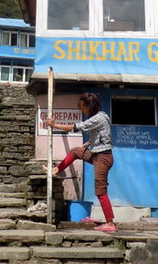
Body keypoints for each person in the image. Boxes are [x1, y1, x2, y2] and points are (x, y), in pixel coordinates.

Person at [44, 92, 116, 232]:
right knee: (76, 151)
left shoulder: (96, 119)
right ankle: (56, 170)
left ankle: (110, 223)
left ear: (89, 106)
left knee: (100, 191)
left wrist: (54, 125)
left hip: (102, 158)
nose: (81, 110)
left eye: (82, 107)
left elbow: (76, 127)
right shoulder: (103, 115)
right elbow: (102, 134)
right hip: (97, 154)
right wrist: (88, 144)